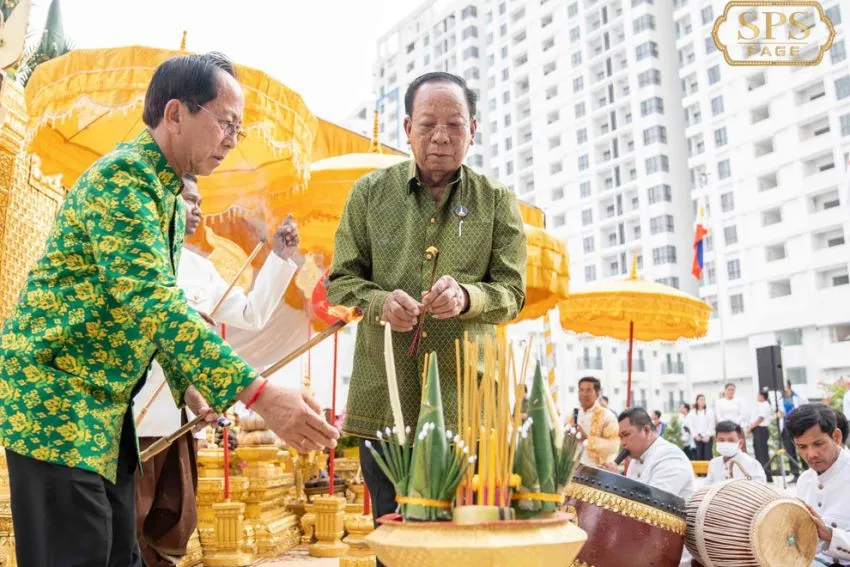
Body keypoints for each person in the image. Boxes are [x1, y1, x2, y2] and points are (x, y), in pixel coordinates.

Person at [0, 52, 338, 566]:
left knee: (122, 554)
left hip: (105, 414)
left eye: (238, 130)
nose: (230, 138)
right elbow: (153, 300)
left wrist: (187, 384)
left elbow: (158, 305)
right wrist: (260, 394)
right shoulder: (123, 180)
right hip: (57, 401)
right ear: (176, 112)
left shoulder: (168, 200)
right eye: (225, 123)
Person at [326, 71, 527, 560]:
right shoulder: (369, 194)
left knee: (464, 538)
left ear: (473, 130)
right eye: (428, 124)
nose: (441, 136)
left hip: (468, 405)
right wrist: (379, 304)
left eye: (455, 125)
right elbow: (340, 280)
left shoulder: (497, 201)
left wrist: (468, 298)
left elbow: (513, 292)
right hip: (385, 401)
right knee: (394, 537)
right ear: (406, 127)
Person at [132, 174, 300, 566]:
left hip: (177, 420)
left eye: (200, 202)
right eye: (188, 200)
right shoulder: (140, 259)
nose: (198, 211)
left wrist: (278, 258)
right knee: (130, 522)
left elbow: (251, 313)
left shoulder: (199, 268)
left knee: (175, 520)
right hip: (134, 416)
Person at [788, 404, 849, 566]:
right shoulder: (804, 480)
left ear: (836, 437)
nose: (811, 454)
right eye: (802, 447)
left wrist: (830, 535)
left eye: (818, 444)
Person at [603, 408, 695, 500]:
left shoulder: (671, 456)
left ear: (646, 431)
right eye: (621, 437)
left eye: (626, 435)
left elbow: (655, 502)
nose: (623, 443)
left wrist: (618, 481)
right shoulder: (635, 460)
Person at [569, 377, 620, 468]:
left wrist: (586, 439)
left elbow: (613, 446)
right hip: (572, 469)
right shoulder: (571, 416)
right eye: (581, 390)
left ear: (597, 394)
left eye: (588, 390)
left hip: (595, 471)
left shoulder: (607, 416)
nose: (584, 394)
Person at [704, 420, 767, 485]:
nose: (725, 443)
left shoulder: (752, 464)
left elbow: (760, 491)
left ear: (740, 443)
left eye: (731, 440)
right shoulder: (714, 463)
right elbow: (706, 489)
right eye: (721, 440)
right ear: (716, 442)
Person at [780, 380, 808, 480]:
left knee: (803, 448)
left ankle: (807, 470)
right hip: (785, 428)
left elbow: (806, 410)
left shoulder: (799, 397)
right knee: (790, 451)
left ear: (789, 386)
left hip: (798, 427)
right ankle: (796, 474)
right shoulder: (779, 399)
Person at [746, 389, 774, 482]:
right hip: (757, 430)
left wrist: (750, 427)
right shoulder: (759, 405)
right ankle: (762, 473)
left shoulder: (765, 404)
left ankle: (767, 474)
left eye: (759, 395)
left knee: (762, 453)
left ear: (762, 396)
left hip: (761, 429)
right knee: (758, 452)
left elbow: (760, 418)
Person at [691, 394, 715, 460]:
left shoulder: (709, 412)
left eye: (703, 400)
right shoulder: (693, 412)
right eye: (700, 400)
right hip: (697, 437)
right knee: (699, 456)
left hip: (707, 437)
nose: (702, 401)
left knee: (707, 455)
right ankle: (700, 471)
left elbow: (711, 424)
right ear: (697, 401)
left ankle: (709, 470)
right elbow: (691, 425)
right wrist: (695, 435)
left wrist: (708, 435)